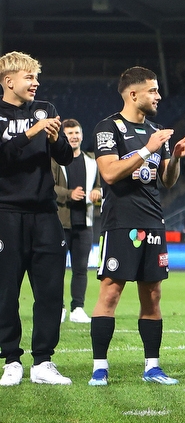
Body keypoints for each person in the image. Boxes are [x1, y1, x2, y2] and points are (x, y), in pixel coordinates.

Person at [89, 66, 185, 386]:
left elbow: (166, 180)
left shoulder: (156, 130)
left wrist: (175, 158)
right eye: (152, 90)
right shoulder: (108, 128)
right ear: (133, 94)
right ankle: (100, 367)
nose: (158, 95)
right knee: (110, 292)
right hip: (120, 223)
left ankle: (152, 366)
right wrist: (148, 148)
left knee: (153, 295)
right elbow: (109, 174)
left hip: (153, 222)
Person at [0, 52, 74, 387]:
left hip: (45, 214)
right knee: (5, 291)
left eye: (36, 77)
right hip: (7, 213)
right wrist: (31, 134)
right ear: (9, 80)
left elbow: (66, 157)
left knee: (50, 290)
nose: (36, 83)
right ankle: (11, 360)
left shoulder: (46, 110)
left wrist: (55, 138)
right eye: (29, 77)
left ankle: (43, 361)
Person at [53, 119, 102, 324]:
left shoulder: (92, 161)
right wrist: (69, 194)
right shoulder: (55, 161)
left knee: (81, 268)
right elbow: (50, 187)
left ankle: (78, 308)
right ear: (64, 136)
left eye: (77, 133)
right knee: (56, 269)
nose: (74, 136)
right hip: (60, 223)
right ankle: (59, 308)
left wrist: (97, 194)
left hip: (85, 223)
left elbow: (100, 187)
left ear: (82, 135)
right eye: (69, 133)